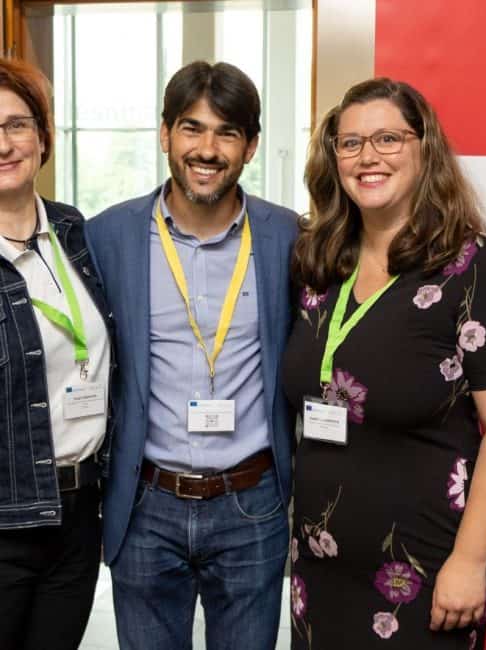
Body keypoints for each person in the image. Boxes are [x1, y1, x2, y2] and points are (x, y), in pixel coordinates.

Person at [282, 77, 486, 649]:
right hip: (319, 566)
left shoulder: (475, 268)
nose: (367, 157)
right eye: (350, 143)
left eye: (388, 139)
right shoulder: (320, 263)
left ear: (426, 149)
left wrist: (470, 561)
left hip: (423, 569)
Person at [85, 61, 297, 650]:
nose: (207, 149)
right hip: (146, 504)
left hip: (252, 502)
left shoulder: (288, 238)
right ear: (164, 134)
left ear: (251, 146)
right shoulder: (108, 236)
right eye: (191, 128)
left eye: (227, 132)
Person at [0, 58, 114, 650]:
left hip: (78, 515)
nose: (4, 144)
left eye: (16, 125)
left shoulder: (75, 231)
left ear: (43, 138)